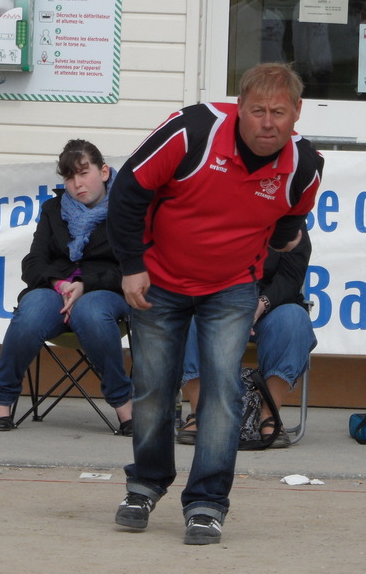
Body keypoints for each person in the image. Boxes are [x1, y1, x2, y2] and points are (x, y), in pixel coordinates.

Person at [106, 62, 323, 545]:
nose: (268, 123)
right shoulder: (193, 130)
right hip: (157, 281)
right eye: (258, 111)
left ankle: (206, 503)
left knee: (222, 395)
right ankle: (145, 484)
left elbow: (293, 217)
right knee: (154, 391)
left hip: (231, 287)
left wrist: (280, 241)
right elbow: (127, 192)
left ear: (297, 114)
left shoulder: (305, 164)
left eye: (279, 113)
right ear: (238, 109)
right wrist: (131, 265)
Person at [0, 140, 133, 435]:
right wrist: (61, 283)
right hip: (57, 288)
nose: (77, 184)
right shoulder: (53, 209)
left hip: (107, 291)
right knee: (30, 313)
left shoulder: (128, 208)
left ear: (103, 171)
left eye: (84, 172)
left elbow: (131, 268)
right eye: (69, 177)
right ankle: (1, 400)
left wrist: (84, 284)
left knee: (90, 311)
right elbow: (33, 262)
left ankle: (124, 404)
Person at [177, 225, 316, 449]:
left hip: (272, 306)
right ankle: (198, 413)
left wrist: (258, 307)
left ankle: (269, 416)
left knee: (294, 319)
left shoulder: (288, 219)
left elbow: (291, 278)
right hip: (218, 305)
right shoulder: (214, 213)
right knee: (189, 318)